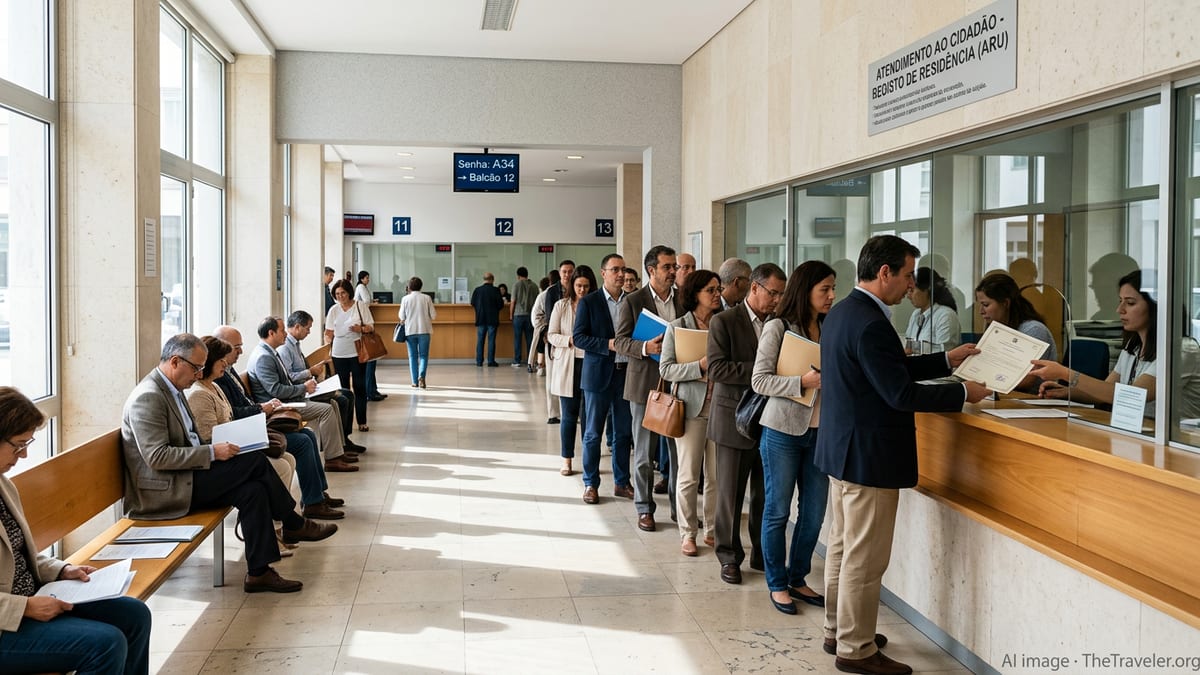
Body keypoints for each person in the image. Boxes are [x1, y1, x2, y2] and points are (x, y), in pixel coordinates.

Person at [815, 235, 988, 675]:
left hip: (843, 451)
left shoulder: (844, 313)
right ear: (885, 272)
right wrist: (964, 392)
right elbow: (898, 392)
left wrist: (945, 360)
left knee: (841, 549)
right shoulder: (871, 321)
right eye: (908, 275)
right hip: (868, 456)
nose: (912, 284)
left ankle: (839, 630)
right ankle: (856, 650)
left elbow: (887, 367)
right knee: (864, 558)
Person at [122, 334, 338, 594]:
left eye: (202, 367)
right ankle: (293, 522)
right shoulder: (148, 397)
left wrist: (221, 446)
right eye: (196, 367)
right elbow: (157, 457)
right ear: (176, 361)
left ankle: (259, 572)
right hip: (168, 490)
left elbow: (190, 438)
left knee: (253, 491)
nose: (199, 373)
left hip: (189, 476)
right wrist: (212, 452)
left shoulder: (174, 390)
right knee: (255, 461)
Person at [0, 386, 153, 675]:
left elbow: (18, 553)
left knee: (134, 614)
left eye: (28, 443)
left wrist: (61, 570)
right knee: (106, 644)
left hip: (35, 596)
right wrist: (24, 608)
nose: (23, 455)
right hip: (7, 621)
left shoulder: (3, 484)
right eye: (18, 445)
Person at [751, 261, 835, 615]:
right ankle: (777, 583)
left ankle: (798, 577)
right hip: (782, 431)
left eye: (833, 289)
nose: (832, 296)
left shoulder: (833, 328)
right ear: (806, 291)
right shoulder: (778, 327)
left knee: (814, 515)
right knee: (777, 511)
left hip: (823, 433)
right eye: (825, 290)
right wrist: (802, 382)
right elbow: (759, 380)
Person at [708, 262, 787, 586]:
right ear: (753, 288)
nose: (777, 300)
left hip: (770, 420)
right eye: (773, 293)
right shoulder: (724, 321)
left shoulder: (782, 325)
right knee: (730, 494)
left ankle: (761, 554)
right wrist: (762, 371)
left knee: (765, 495)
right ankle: (729, 556)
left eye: (782, 294)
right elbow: (717, 369)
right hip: (733, 419)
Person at [185, 336, 306, 525]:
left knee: (288, 459)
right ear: (209, 362)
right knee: (279, 466)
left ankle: (284, 525)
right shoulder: (199, 394)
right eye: (221, 360)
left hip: (235, 445)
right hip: (223, 455)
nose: (226, 364)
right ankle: (283, 525)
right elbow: (209, 437)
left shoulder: (215, 386)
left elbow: (230, 417)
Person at [615, 245, 683, 532]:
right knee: (644, 453)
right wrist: (645, 347)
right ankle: (644, 508)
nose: (673, 272)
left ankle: (679, 509)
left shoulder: (684, 300)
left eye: (674, 267)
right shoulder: (633, 300)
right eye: (668, 267)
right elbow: (620, 341)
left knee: (679, 454)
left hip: (678, 384)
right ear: (651, 270)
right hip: (645, 385)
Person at [241, 320, 362, 472]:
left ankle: (337, 452)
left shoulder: (271, 352)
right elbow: (276, 391)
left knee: (334, 403)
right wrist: (303, 387)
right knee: (326, 410)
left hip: (289, 398)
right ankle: (332, 459)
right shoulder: (263, 357)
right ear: (271, 333)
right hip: (280, 405)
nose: (286, 333)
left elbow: (285, 381)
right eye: (282, 330)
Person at [1031, 269, 1157, 415]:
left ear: (1155, 306)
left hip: (1164, 435)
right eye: (1120, 301)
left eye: (1130, 303)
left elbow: (1132, 397)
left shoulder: (1179, 351)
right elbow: (1106, 391)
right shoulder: (1133, 347)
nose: (1120, 309)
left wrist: (1066, 373)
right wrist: (1066, 393)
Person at [659, 269, 721, 556]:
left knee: (716, 476)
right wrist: (700, 366)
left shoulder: (723, 323)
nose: (717, 294)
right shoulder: (677, 326)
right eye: (711, 290)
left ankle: (712, 530)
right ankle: (688, 532)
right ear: (696, 294)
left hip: (721, 409)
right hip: (690, 409)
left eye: (718, 289)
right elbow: (666, 369)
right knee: (688, 475)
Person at [574, 253, 634, 504]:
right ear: (603, 273)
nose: (621, 274)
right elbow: (579, 337)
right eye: (615, 270)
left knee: (623, 434)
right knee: (592, 434)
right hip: (598, 376)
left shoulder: (633, 302)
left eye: (623, 269)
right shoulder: (590, 302)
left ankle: (621, 482)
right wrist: (607, 344)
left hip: (625, 375)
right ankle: (590, 483)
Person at [548, 265, 597, 477]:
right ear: (571, 285)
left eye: (586, 286)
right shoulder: (562, 305)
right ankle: (566, 459)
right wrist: (570, 340)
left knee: (589, 417)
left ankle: (588, 460)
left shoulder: (597, 306)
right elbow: (551, 334)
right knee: (568, 416)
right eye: (578, 285)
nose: (582, 290)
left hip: (591, 364)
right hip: (568, 364)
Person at [975, 273, 1057, 391]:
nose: (981, 311)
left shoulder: (1034, 330)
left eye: (986, 305)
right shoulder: (997, 329)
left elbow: (1025, 381)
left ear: (1005, 303)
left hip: (1031, 400)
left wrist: (979, 379)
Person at [326, 280, 375, 431]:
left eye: (343, 293)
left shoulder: (360, 306)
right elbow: (328, 332)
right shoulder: (334, 310)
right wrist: (328, 345)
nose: (340, 296)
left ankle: (362, 421)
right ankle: (344, 424)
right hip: (338, 353)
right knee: (343, 390)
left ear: (349, 293)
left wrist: (359, 328)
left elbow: (371, 326)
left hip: (357, 351)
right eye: (337, 294)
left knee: (359, 387)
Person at [903, 267, 961, 354]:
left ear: (928, 289)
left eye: (912, 290)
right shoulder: (916, 314)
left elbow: (944, 354)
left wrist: (914, 349)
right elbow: (908, 345)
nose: (908, 296)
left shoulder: (945, 315)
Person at [531, 270, 562, 421]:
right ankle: (554, 413)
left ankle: (567, 412)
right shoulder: (546, 295)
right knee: (552, 379)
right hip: (552, 342)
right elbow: (536, 317)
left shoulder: (576, 293)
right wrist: (545, 332)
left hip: (570, 343)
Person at [354, 271, 387, 401]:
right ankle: (370, 391)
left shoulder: (362, 288)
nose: (368, 279)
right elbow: (366, 301)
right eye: (367, 277)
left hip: (367, 327)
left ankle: (373, 390)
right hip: (365, 331)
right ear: (362, 278)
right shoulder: (361, 288)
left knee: (371, 362)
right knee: (370, 362)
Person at [399, 276, 437, 388]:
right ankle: (422, 376)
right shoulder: (427, 298)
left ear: (409, 287)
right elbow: (434, 316)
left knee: (412, 357)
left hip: (410, 331)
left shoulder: (405, 299)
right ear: (421, 286)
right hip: (424, 330)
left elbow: (401, 316)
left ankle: (414, 382)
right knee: (424, 356)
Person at [471, 272, 504, 367]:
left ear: (484, 279)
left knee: (480, 340)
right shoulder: (496, 290)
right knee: (491, 340)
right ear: (492, 280)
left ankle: (479, 361)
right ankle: (490, 361)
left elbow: (473, 303)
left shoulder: (477, 290)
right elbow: (500, 304)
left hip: (480, 318)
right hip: (492, 319)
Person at [511, 266, 539, 368]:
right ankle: (530, 360)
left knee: (517, 339)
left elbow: (513, 302)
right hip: (530, 316)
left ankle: (517, 361)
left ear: (518, 276)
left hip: (518, 315)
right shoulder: (535, 286)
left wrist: (511, 315)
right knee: (530, 339)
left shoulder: (516, 285)